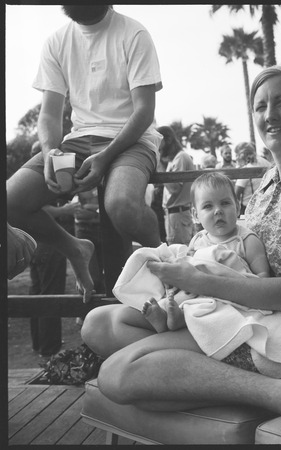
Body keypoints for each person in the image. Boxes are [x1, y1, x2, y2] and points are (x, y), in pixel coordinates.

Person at [81, 64, 281, 432]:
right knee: (98, 324)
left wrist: (203, 280)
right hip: (240, 313)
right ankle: (194, 377)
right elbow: (232, 252)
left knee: (118, 375)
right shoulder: (268, 183)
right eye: (260, 107)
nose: (269, 115)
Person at [6, 5, 163, 303]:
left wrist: (106, 157)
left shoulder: (134, 32)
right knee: (10, 200)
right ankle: (75, 248)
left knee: (121, 205)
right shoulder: (56, 40)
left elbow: (144, 112)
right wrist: (52, 152)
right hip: (78, 140)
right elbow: (49, 115)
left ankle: (170, 260)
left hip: (132, 139)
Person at [141, 171, 270, 333]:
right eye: (208, 206)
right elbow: (188, 265)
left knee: (213, 308)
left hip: (229, 298)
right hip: (198, 292)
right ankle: (163, 316)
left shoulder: (246, 240)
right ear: (196, 215)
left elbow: (263, 279)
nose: (218, 211)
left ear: (237, 207)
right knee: (176, 298)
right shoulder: (198, 239)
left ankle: (180, 319)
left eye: (225, 203)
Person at [30, 200, 79, 357]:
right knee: (51, 294)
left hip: (35, 243)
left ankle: (39, 343)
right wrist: (65, 210)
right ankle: (49, 348)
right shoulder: (40, 185)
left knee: (37, 293)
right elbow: (41, 209)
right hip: (49, 245)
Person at [157, 126, 195, 246]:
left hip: (178, 215)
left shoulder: (181, 157)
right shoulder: (173, 160)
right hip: (174, 215)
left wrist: (158, 165)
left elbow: (174, 188)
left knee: (180, 255)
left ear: (167, 139)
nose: (156, 144)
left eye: (158, 140)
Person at [234, 142, 269, 216]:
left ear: (241, 155)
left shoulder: (246, 169)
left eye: (236, 154)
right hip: (267, 205)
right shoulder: (266, 163)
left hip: (249, 208)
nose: (236, 158)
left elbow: (236, 194)